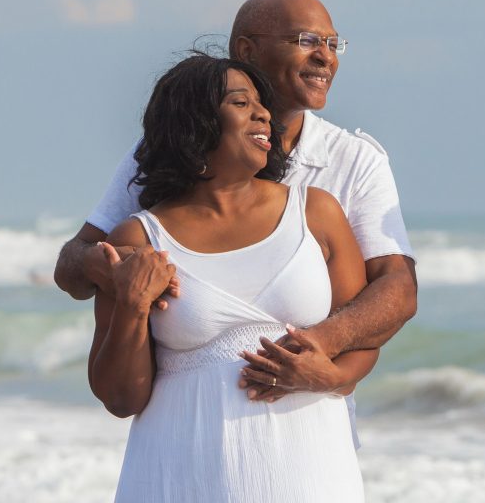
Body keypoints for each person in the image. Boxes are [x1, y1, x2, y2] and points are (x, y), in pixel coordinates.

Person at [54, 0, 416, 408]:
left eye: (333, 44)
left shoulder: (352, 162)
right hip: (183, 426)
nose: (326, 57)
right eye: (307, 40)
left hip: (311, 430)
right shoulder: (166, 153)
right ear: (247, 49)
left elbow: (398, 288)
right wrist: (115, 270)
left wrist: (316, 349)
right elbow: (74, 266)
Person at [91, 55, 370, 501]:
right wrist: (131, 304)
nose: (263, 113)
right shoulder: (140, 238)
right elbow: (120, 400)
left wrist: (328, 377)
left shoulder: (316, 213)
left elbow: (363, 337)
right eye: (241, 103)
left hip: (312, 471)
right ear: (195, 124)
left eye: (262, 103)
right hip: (182, 476)